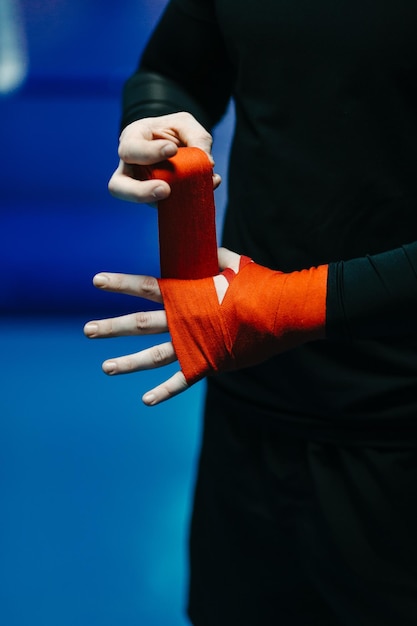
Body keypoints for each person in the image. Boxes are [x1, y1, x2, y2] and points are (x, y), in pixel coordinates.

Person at [83, 1, 417, 624]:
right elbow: (173, 66)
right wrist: (154, 123)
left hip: (398, 428)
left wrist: (290, 305)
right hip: (252, 411)